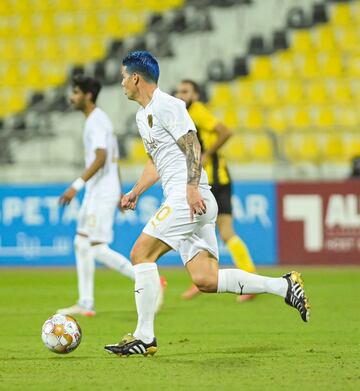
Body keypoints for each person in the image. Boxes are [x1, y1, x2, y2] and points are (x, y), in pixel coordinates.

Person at [104, 51, 310, 357]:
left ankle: (144, 337)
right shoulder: (141, 115)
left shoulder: (169, 105)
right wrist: (136, 191)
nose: (121, 82)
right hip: (190, 200)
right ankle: (284, 286)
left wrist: (190, 189)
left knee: (140, 254)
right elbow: (156, 162)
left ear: (135, 78)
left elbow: (193, 145)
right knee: (206, 279)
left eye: (123, 76)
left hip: (189, 198)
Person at [57, 75, 165, 316]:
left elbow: (102, 157)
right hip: (99, 191)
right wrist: (118, 192)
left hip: (99, 193)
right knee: (81, 242)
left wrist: (76, 185)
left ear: (87, 95)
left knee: (96, 247)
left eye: (75, 92)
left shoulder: (96, 121)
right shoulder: (97, 120)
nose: (71, 97)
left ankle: (151, 282)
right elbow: (113, 160)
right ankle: (86, 302)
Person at [175, 79, 257, 302]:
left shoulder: (197, 112)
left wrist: (207, 154)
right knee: (202, 231)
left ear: (196, 95)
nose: (180, 95)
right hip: (208, 180)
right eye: (178, 91)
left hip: (214, 181)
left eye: (185, 91)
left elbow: (225, 131)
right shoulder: (185, 114)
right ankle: (202, 278)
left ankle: (248, 279)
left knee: (219, 232)